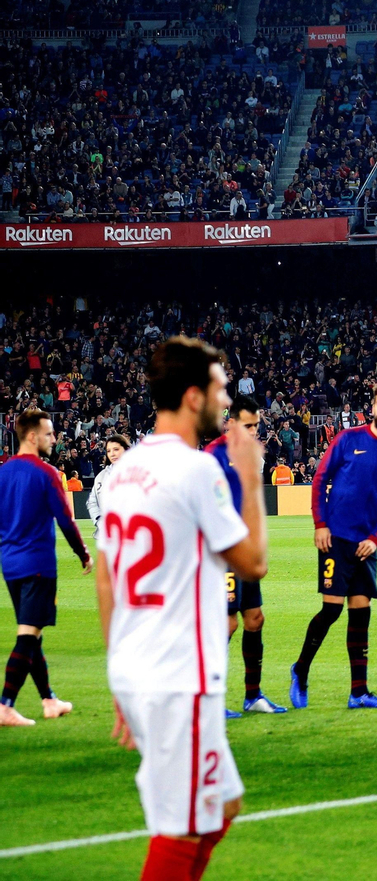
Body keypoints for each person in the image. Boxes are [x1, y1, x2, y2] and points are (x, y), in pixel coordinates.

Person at [93, 336, 268, 880]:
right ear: (194, 396)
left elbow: (106, 580)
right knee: (183, 827)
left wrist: (120, 676)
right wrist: (249, 475)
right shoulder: (197, 471)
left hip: (140, 668)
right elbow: (252, 562)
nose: (226, 400)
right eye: (219, 388)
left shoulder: (123, 471)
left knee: (221, 807)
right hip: (178, 677)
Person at [291, 383, 377, 710]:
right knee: (331, 609)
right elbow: (320, 479)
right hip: (335, 538)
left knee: (361, 613)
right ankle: (300, 670)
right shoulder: (348, 439)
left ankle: (359, 692)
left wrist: (375, 538)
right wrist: (320, 524)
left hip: (365, 546)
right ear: (372, 407)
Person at [0, 409, 92, 727]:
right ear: (32, 436)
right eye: (49, 433)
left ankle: (49, 700)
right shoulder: (46, 473)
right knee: (28, 635)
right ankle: (5, 704)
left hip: (10, 565)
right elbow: (65, 519)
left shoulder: (3, 473)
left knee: (33, 635)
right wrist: (83, 554)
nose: (54, 438)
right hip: (38, 564)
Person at [206, 396, 286, 719]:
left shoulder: (253, 455)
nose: (254, 431)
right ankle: (210, 699)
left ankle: (253, 696)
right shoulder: (214, 455)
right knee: (227, 623)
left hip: (246, 547)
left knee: (255, 619)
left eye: (256, 425)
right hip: (223, 551)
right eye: (248, 425)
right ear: (231, 423)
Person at [86, 433, 130, 535]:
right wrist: (99, 520)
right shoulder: (101, 476)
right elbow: (92, 502)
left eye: (116, 449)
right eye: (109, 451)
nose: (112, 454)